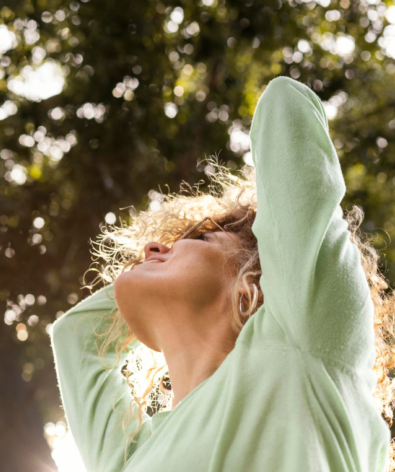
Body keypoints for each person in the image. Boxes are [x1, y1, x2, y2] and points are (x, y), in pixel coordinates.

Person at [51, 76, 395, 472]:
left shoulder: (301, 339)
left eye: (198, 237)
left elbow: (285, 105)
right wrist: (146, 285)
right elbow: (74, 338)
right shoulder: (132, 458)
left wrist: (149, 286)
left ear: (259, 274)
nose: (153, 248)